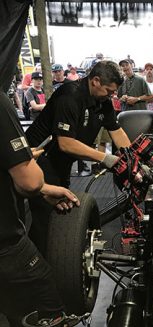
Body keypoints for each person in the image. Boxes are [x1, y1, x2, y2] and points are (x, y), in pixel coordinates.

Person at [25, 60, 132, 255]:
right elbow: (65, 143)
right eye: (109, 90)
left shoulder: (103, 102)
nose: (112, 95)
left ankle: (52, 261)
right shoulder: (70, 96)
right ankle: (38, 265)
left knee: (60, 213)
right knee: (43, 218)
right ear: (96, 81)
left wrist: (133, 159)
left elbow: (117, 132)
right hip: (37, 160)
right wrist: (105, 158)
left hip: (61, 163)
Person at [0, 91, 82, 327]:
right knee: (43, 290)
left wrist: (43, 189)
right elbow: (30, 182)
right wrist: (27, 163)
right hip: (4, 240)